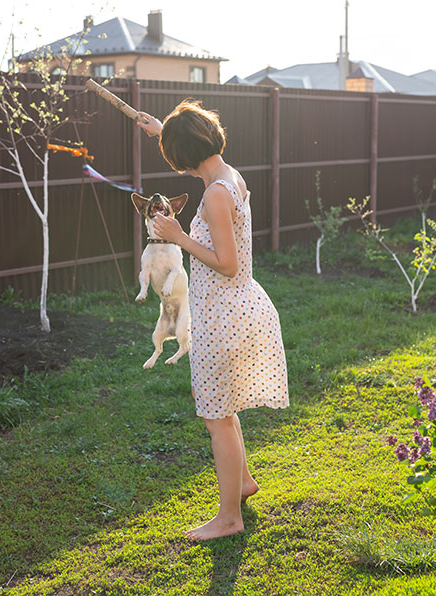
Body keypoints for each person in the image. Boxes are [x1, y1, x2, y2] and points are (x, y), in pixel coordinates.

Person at [137, 100, 289, 541]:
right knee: (222, 405)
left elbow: (227, 263)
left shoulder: (216, 194)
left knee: (216, 414)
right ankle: (242, 482)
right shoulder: (229, 175)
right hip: (228, 311)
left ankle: (228, 518)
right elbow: (187, 141)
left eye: (172, 154)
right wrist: (160, 129)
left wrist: (178, 236)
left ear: (183, 157)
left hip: (225, 315)